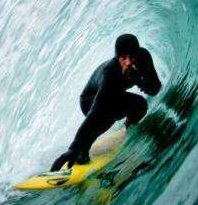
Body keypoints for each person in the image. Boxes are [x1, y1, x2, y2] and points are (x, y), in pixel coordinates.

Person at [50, 33, 161, 171]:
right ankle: (80, 153)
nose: (128, 62)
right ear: (117, 57)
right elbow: (95, 113)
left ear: (137, 54)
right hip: (90, 100)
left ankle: (127, 129)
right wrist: (74, 148)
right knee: (107, 114)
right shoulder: (110, 73)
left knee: (140, 105)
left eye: (131, 57)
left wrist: (139, 79)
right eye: (123, 58)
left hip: (115, 96)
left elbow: (155, 89)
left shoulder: (143, 58)